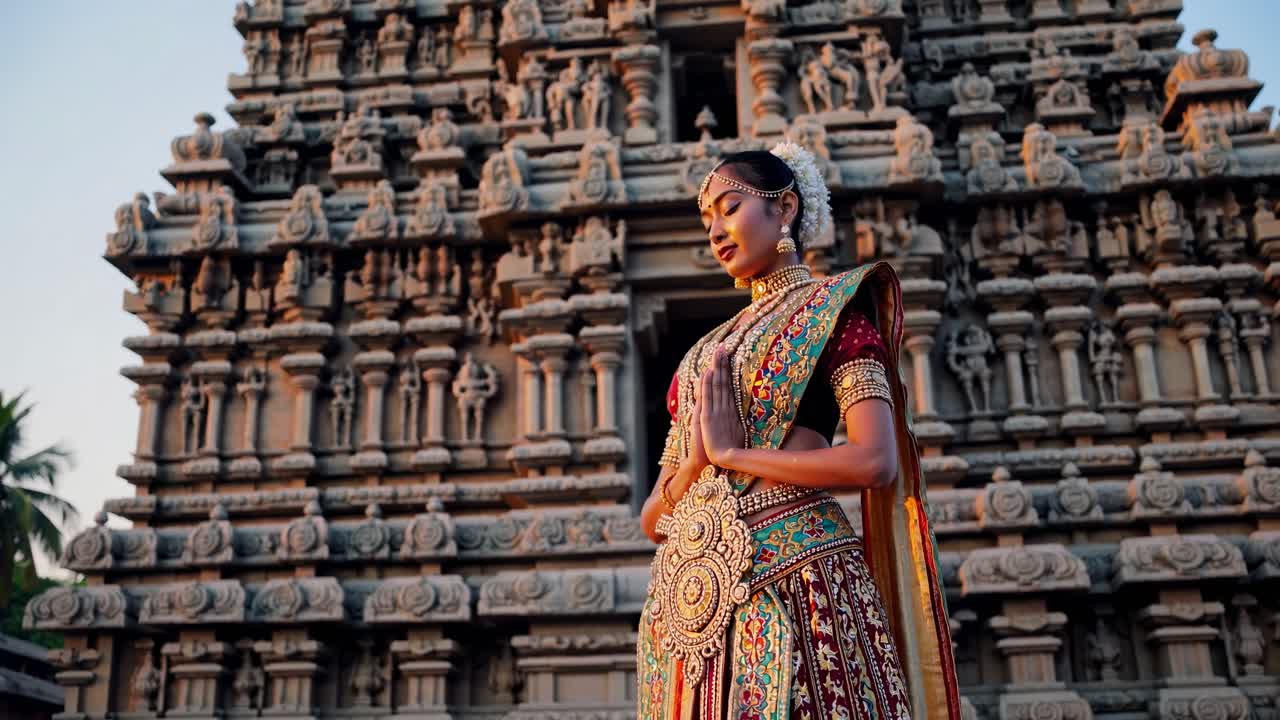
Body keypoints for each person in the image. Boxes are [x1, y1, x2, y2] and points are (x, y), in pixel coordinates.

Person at [636, 143, 961, 720]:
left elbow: (873, 462)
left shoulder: (835, 314)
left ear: (784, 209)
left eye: (730, 207)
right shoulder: (698, 358)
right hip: (688, 610)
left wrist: (738, 453)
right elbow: (653, 518)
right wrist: (696, 464)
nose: (716, 231)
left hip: (800, 580)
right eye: (708, 218)